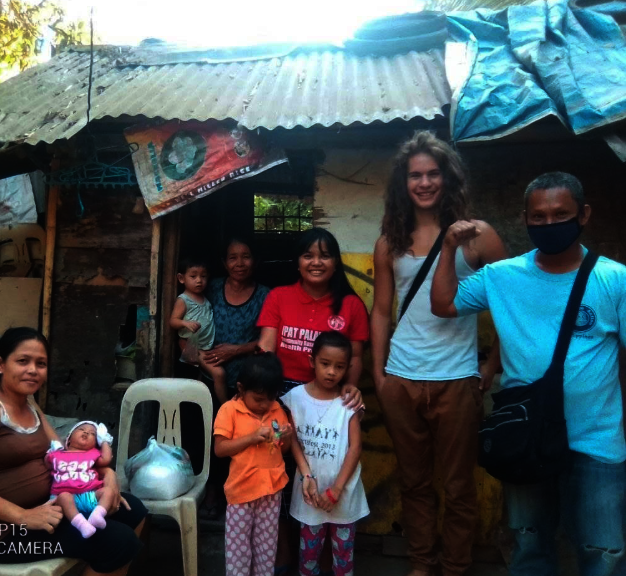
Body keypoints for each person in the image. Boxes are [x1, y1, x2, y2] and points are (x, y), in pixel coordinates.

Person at [430, 172, 626, 576]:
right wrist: (448, 248)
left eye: (561, 214)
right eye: (539, 216)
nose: (549, 223)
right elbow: (444, 304)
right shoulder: (502, 276)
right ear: (524, 219)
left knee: (604, 552)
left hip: (598, 440)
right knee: (530, 545)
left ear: (584, 215)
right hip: (525, 438)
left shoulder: (615, 279)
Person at [371, 130, 507, 576]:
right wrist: (380, 376)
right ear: (403, 182)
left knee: (458, 486)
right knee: (414, 483)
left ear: (448, 178)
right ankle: (421, 565)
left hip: (456, 380)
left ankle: (455, 567)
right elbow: (381, 310)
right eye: (415, 175)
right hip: (402, 378)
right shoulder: (390, 240)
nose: (425, 182)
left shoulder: (478, 237)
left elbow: (513, 307)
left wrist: (491, 366)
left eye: (433, 173)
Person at [0, 327, 147, 576]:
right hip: (5, 533)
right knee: (118, 542)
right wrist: (23, 515)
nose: (33, 370)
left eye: (40, 363)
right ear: (0, 364)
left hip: (51, 507)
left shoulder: (29, 405)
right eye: (23, 361)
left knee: (133, 510)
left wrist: (110, 476)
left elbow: (66, 455)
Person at [257, 227, 368, 573]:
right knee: (278, 477)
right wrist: (265, 401)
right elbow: (266, 348)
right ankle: (284, 555)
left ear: (336, 263)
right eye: (308, 255)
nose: (316, 262)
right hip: (283, 396)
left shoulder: (351, 305)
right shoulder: (278, 297)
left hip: (331, 399)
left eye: (324, 255)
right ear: (297, 261)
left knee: (324, 469)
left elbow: (357, 356)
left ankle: (326, 557)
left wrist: (350, 390)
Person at [283, 331, 369, 576]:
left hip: (342, 493)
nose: (331, 372)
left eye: (339, 367)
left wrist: (337, 490)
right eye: (325, 364)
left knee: (343, 557)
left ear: (348, 368)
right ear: (312, 361)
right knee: (308, 557)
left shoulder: (348, 403)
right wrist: (307, 476)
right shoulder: (295, 398)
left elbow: (355, 447)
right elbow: (293, 440)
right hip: (310, 493)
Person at [200, 237, 270, 518]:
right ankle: (211, 492)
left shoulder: (265, 295)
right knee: (213, 436)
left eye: (246, 256)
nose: (239, 263)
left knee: (242, 439)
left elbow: (267, 340)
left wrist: (235, 350)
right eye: (232, 257)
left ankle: (240, 498)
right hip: (210, 376)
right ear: (223, 262)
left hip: (247, 384)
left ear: (256, 260)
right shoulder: (212, 288)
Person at [213, 352, 294, 576]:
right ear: (241, 389)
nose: (264, 405)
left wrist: (285, 438)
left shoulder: (277, 410)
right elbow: (220, 449)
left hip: (271, 490)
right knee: (238, 553)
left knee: (266, 551)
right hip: (241, 491)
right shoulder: (229, 410)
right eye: (258, 399)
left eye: (270, 398)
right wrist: (250, 438)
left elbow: (280, 449)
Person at [170, 256, 227, 401]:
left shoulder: (205, 298)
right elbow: (173, 321)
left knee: (200, 380)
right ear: (181, 278)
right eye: (193, 276)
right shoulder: (183, 300)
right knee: (219, 374)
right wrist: (185, 323)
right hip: (193, 348)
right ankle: (226, 406)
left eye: (203, 276)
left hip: (206, 347)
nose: (199, 280)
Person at [47, 421, 117, 537]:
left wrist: (104, 440)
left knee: (108, 492)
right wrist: (52, 451)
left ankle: (97, 515)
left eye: (93, 434)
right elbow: (47, 464)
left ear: (95, 443)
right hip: (65, 499)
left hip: (89, 495)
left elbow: (106, 459)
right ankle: (82, 525)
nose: (86, 432)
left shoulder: (93, 453)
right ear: (69, 439)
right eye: (81, 429)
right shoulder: (57, 454)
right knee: (64, 496)